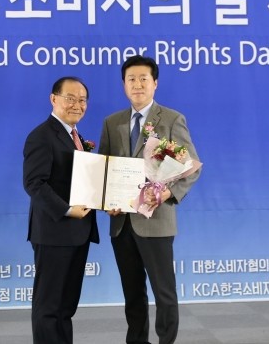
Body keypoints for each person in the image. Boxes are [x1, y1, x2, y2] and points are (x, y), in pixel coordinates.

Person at [98, 55, 201, 344]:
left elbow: (191, 166)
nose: (137, 84)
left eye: (144, 78)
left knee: (163, 292)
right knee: (132, 293)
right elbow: (104, 168)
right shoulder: (112, 122)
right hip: (122, 224)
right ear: (124, 85)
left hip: (156, 221)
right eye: (131, 79)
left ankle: (166, 340)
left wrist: (169, 192)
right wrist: (106, 201)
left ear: (155, 83)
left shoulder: (171, 119)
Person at [23, 76, 99, 344]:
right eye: (70, 98)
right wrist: (67, 210)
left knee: (65, 307)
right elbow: (34, 183)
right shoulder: (42, 136)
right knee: (48, 307)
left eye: (82, 100)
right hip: (54, 233)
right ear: (53, 99)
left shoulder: (76, 137)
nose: (77, 104)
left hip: (78, 233)